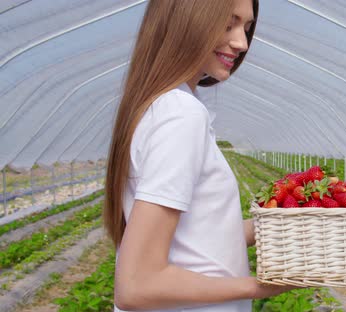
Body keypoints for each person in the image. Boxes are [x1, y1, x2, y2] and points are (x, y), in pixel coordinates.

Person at [103, 1, 296, 311]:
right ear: (187, 20)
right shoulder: (181, 113)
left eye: (246, 29)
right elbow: (136, 285)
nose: (242, 42)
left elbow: (200, 236)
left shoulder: (160, 105)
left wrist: (279, 223)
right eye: (228, 24)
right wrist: (260, 286)